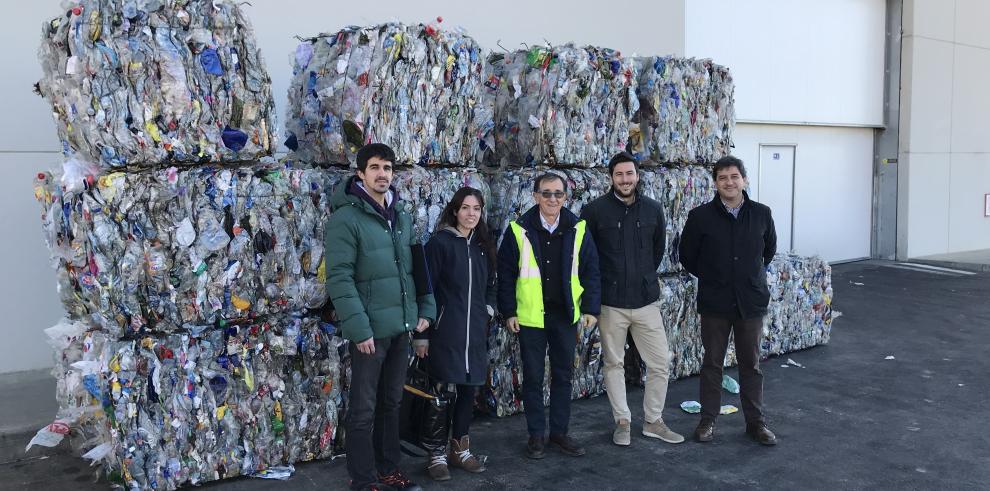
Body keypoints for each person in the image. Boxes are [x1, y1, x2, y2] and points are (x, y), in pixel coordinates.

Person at [325, 143, 436, 491]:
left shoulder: (400, 215)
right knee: (363, 410)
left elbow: (417, 268)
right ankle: (364, 479)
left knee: (392, 403)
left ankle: (389, 468)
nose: (382, 174)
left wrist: (426, 312)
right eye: (374, 167)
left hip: (401, 327)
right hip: (370, 333)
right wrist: (359, 329)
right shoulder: (346, 218)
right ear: (361, 174)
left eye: (387, 167)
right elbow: (339, 277)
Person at [581, 152, 684, 446]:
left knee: (660, 362)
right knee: (613, 364)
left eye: (630, 174)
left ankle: (653, 421)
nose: (625, 179)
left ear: (638, 176)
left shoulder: (652, 210)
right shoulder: (594, 211)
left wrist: (642, 277)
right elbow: (587, 258)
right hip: (611, 303)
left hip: (645, 301)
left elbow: (657, 250)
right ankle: (622, 421)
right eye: (619, 174)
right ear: (610, 177)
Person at [496, 172, 601, 460]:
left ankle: (559, 433)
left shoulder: (577, 228)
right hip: (530, 317)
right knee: (532, 377)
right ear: (535, 196)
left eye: (558, 193)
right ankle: (536, 436)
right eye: (546, 193)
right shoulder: (519, 230)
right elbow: (504, 274)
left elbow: (591, 270)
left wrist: (591, 308)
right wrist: (509, 312)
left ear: (565, 197)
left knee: (563, 376)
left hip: (565, 315)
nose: (552, 199)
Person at [678, 155, 778, 446]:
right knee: (712, 364)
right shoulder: (700, 217)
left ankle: (756, 423)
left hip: (750, 301)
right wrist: (714, 276)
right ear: (715, 183)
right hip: (715, 302)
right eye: (723, 178)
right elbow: (687, 256)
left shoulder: (761, 213)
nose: (729, 182)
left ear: (744, 180)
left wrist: (747, 275)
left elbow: (768, 250)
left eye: (734, 176)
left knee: (751, 365)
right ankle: (707, 421)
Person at [411, 187, 497, 481]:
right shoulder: (440, 244)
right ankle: (435, 454)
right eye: (465, 208)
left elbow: (492, 284)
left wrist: (488, 308)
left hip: (474, 334)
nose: (471, 214)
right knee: (440, 395)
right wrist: (420, 335)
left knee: (468, 391)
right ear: (455, 211)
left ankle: (459, 449)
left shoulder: (483, 246)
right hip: (445, 332)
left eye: (476, 208)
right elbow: (426, 289)